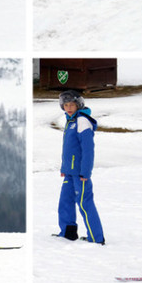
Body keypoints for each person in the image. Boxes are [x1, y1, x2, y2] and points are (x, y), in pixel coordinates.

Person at [56, 89, 104, 244]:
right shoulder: (70, 121)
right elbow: (69, 148)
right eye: (66, 105)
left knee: (84, 204)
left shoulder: (82, 121)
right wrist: (65, 169)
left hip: (80, 174)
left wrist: (85, 171)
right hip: (70, 172)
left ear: (78, 104)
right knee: (65, 202)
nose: (68, 108)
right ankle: (68, 232)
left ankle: (96, 237)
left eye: (71, 105)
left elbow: (88, 150)